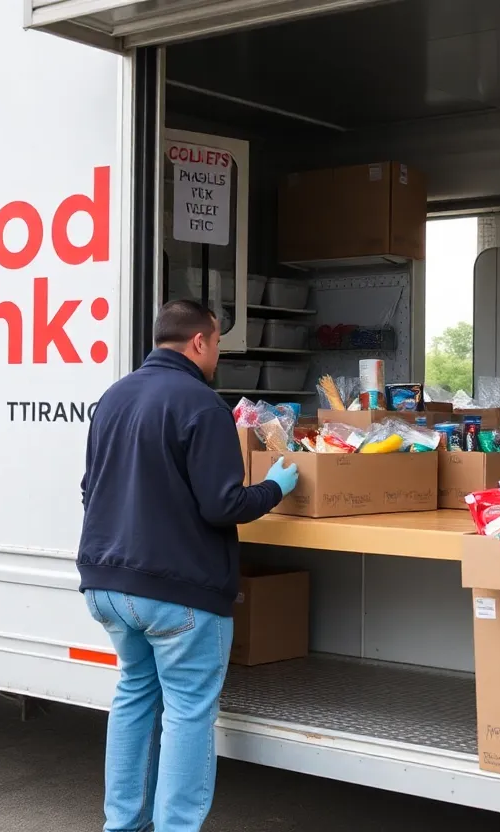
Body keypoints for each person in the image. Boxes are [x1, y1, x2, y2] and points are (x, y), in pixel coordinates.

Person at [77, 299, 300, 832]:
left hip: (106, 585)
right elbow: (222, 505)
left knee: (133, 696)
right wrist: (276, 486)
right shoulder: (202, 405)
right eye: (218, 342)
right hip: (180, 594)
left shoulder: (112, 398)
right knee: (187, 714)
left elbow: (90, 490)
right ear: (199, 341)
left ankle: (122, 824)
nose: (219, 353)